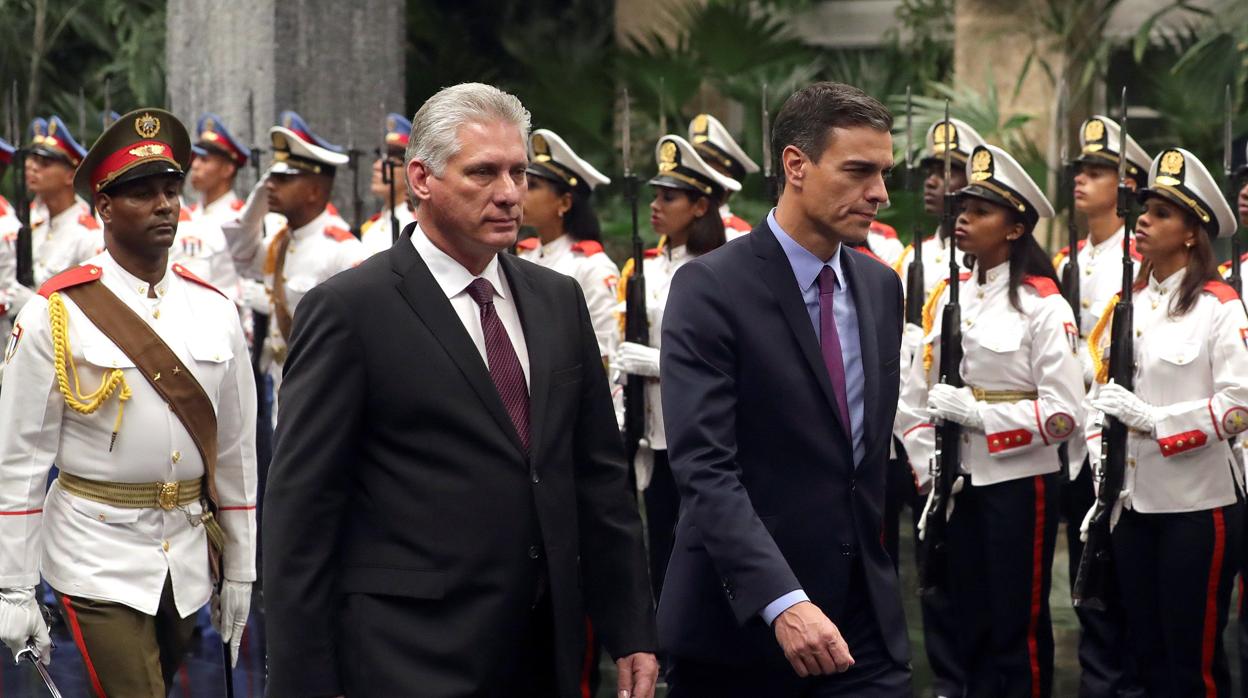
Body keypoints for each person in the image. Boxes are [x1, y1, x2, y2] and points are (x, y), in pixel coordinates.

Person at [262, 82, 659, 698]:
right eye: (483, 173)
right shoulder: (351, 309)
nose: (509, 193)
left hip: (542, 652)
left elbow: (597, 480)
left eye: (519, 172)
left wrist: (631, 626)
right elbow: (301, 512)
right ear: (421, 179)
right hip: (406, 654)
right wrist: (301, 681)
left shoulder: (558, 300)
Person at [657, 81, 909, 696]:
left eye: (882, 173)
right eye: (857, 171)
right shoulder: (710, 288)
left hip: (860, 624)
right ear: (796, 165)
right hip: (742, 623)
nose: (877, 193)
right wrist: (782, 600)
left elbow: (862, 463)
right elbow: (706, 467)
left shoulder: (880, 288)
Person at [0, 108, 257, 696]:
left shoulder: (214, 309)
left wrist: (241, 567)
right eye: (143, 192)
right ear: (105, 207)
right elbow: (19, 458)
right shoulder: (55, 312)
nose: (165, 204)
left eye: (171, 189)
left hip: (187, 555)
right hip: (95, 548)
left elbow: (238, 455)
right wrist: (12, 586)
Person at [896, 143, 1084, 697]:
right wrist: (925, 468)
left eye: (980, 211)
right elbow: (915, 396)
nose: (964, 218)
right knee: (963, 618)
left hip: (1017, 482)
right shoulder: (947, 299)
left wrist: (981, 416)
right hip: (953, 481)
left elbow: (1064, 414)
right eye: (963, 207)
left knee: (1016, 627)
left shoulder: (1045, 306)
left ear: (1014, 228)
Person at [1083, 146, 1246, 697]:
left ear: (1192, 234)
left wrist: (1158, 421)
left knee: (1191, 663)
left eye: (1160, 214)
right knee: (1143, 652)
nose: (1143, 222)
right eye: (1143, 210)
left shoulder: (1219, 306)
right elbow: (1098, 394)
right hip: (1131, 502)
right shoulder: (1126, 304)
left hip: (1195, 507)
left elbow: (1240, 403)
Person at [614, 133, 735, 610]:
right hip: (655, 430)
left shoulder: (720, 268)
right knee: (660, 542)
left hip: (705, 429)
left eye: (670, 197)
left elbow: (725, 355)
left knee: (704, 543)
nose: (656, 205)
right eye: (655, 195)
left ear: (701, 206)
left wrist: (659, 363)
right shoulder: (643, 266)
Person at [888, 115, 986, 698]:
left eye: (949, 171)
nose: (934, 182)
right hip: (916, 437)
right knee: (931, 579)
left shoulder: (989, 268)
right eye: (929, 171)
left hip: (975, 442)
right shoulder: (911, 260)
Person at [1054, 114, 1147, 698]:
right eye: (1079, 171)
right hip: (1076, 432)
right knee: (1086, 568)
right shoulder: (1073, 260)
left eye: (1097, 171)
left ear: (1127, 184)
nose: (1082, 181)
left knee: (1125, 572)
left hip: (1125, 430)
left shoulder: (1139, 256)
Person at [221, 110, 364, 413]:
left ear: (314, 190)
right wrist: (257, 203)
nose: (271, 185)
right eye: (271, 178)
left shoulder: (342, 249)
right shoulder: (282, 242)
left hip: (326, 394)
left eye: (284, 178)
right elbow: (242, 256)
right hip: (284, 386)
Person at [517, 128, 620, 361]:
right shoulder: (524, 256)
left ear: (564, 202)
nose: (521, 191)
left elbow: (604, 350)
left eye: (533, 185)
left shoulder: (592, 267)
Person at [24, 115, 103, 289]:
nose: (33, 168)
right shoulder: (40, 224)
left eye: (45, 163)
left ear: (70, 176)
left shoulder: (87, 236)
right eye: (33, 160)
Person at [689, 112, 758, 238]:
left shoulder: (737, 235)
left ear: (727, 183)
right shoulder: (681, 226)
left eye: (707, 172)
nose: (696, 177)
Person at [361, 112, 418, 256]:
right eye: (379, 157)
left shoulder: (417, 225)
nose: (377, 166)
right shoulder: (371, 226)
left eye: (391, 160)